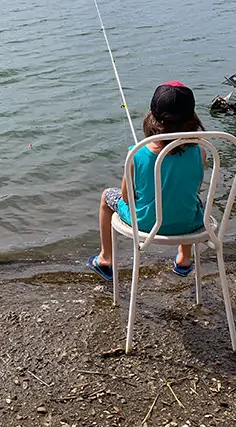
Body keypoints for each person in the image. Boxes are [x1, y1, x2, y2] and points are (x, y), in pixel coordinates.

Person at [88, 81, 207, 281]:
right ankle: (184, 259)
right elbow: (193, 187)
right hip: (189, 223)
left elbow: (126, 198)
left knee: (107, 196)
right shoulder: (201, 151)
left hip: (146, 224)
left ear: (152, 118)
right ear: (192, 117)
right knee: (191, 199)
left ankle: (105, 258)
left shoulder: (137, 154)